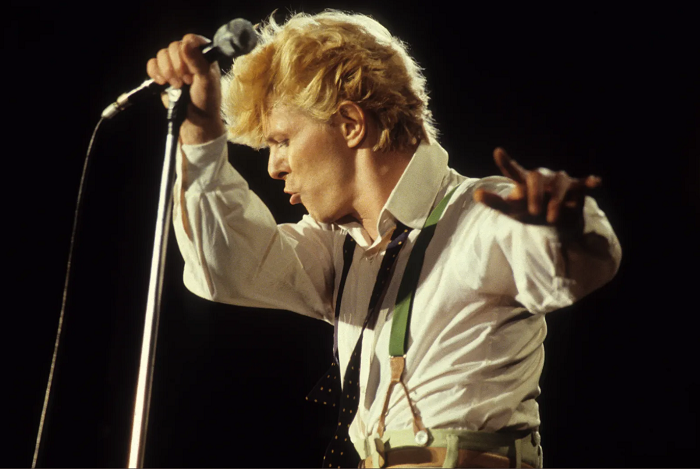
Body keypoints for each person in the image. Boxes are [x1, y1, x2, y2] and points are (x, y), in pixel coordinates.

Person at [146, 10, 621, 468]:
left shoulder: (479, 214)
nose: (274, 167)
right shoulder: (341, 249)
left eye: (282, 141)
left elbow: (568, 266)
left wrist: (564, 224)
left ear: (351, 124)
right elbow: (227, 266)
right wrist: (200, 135)